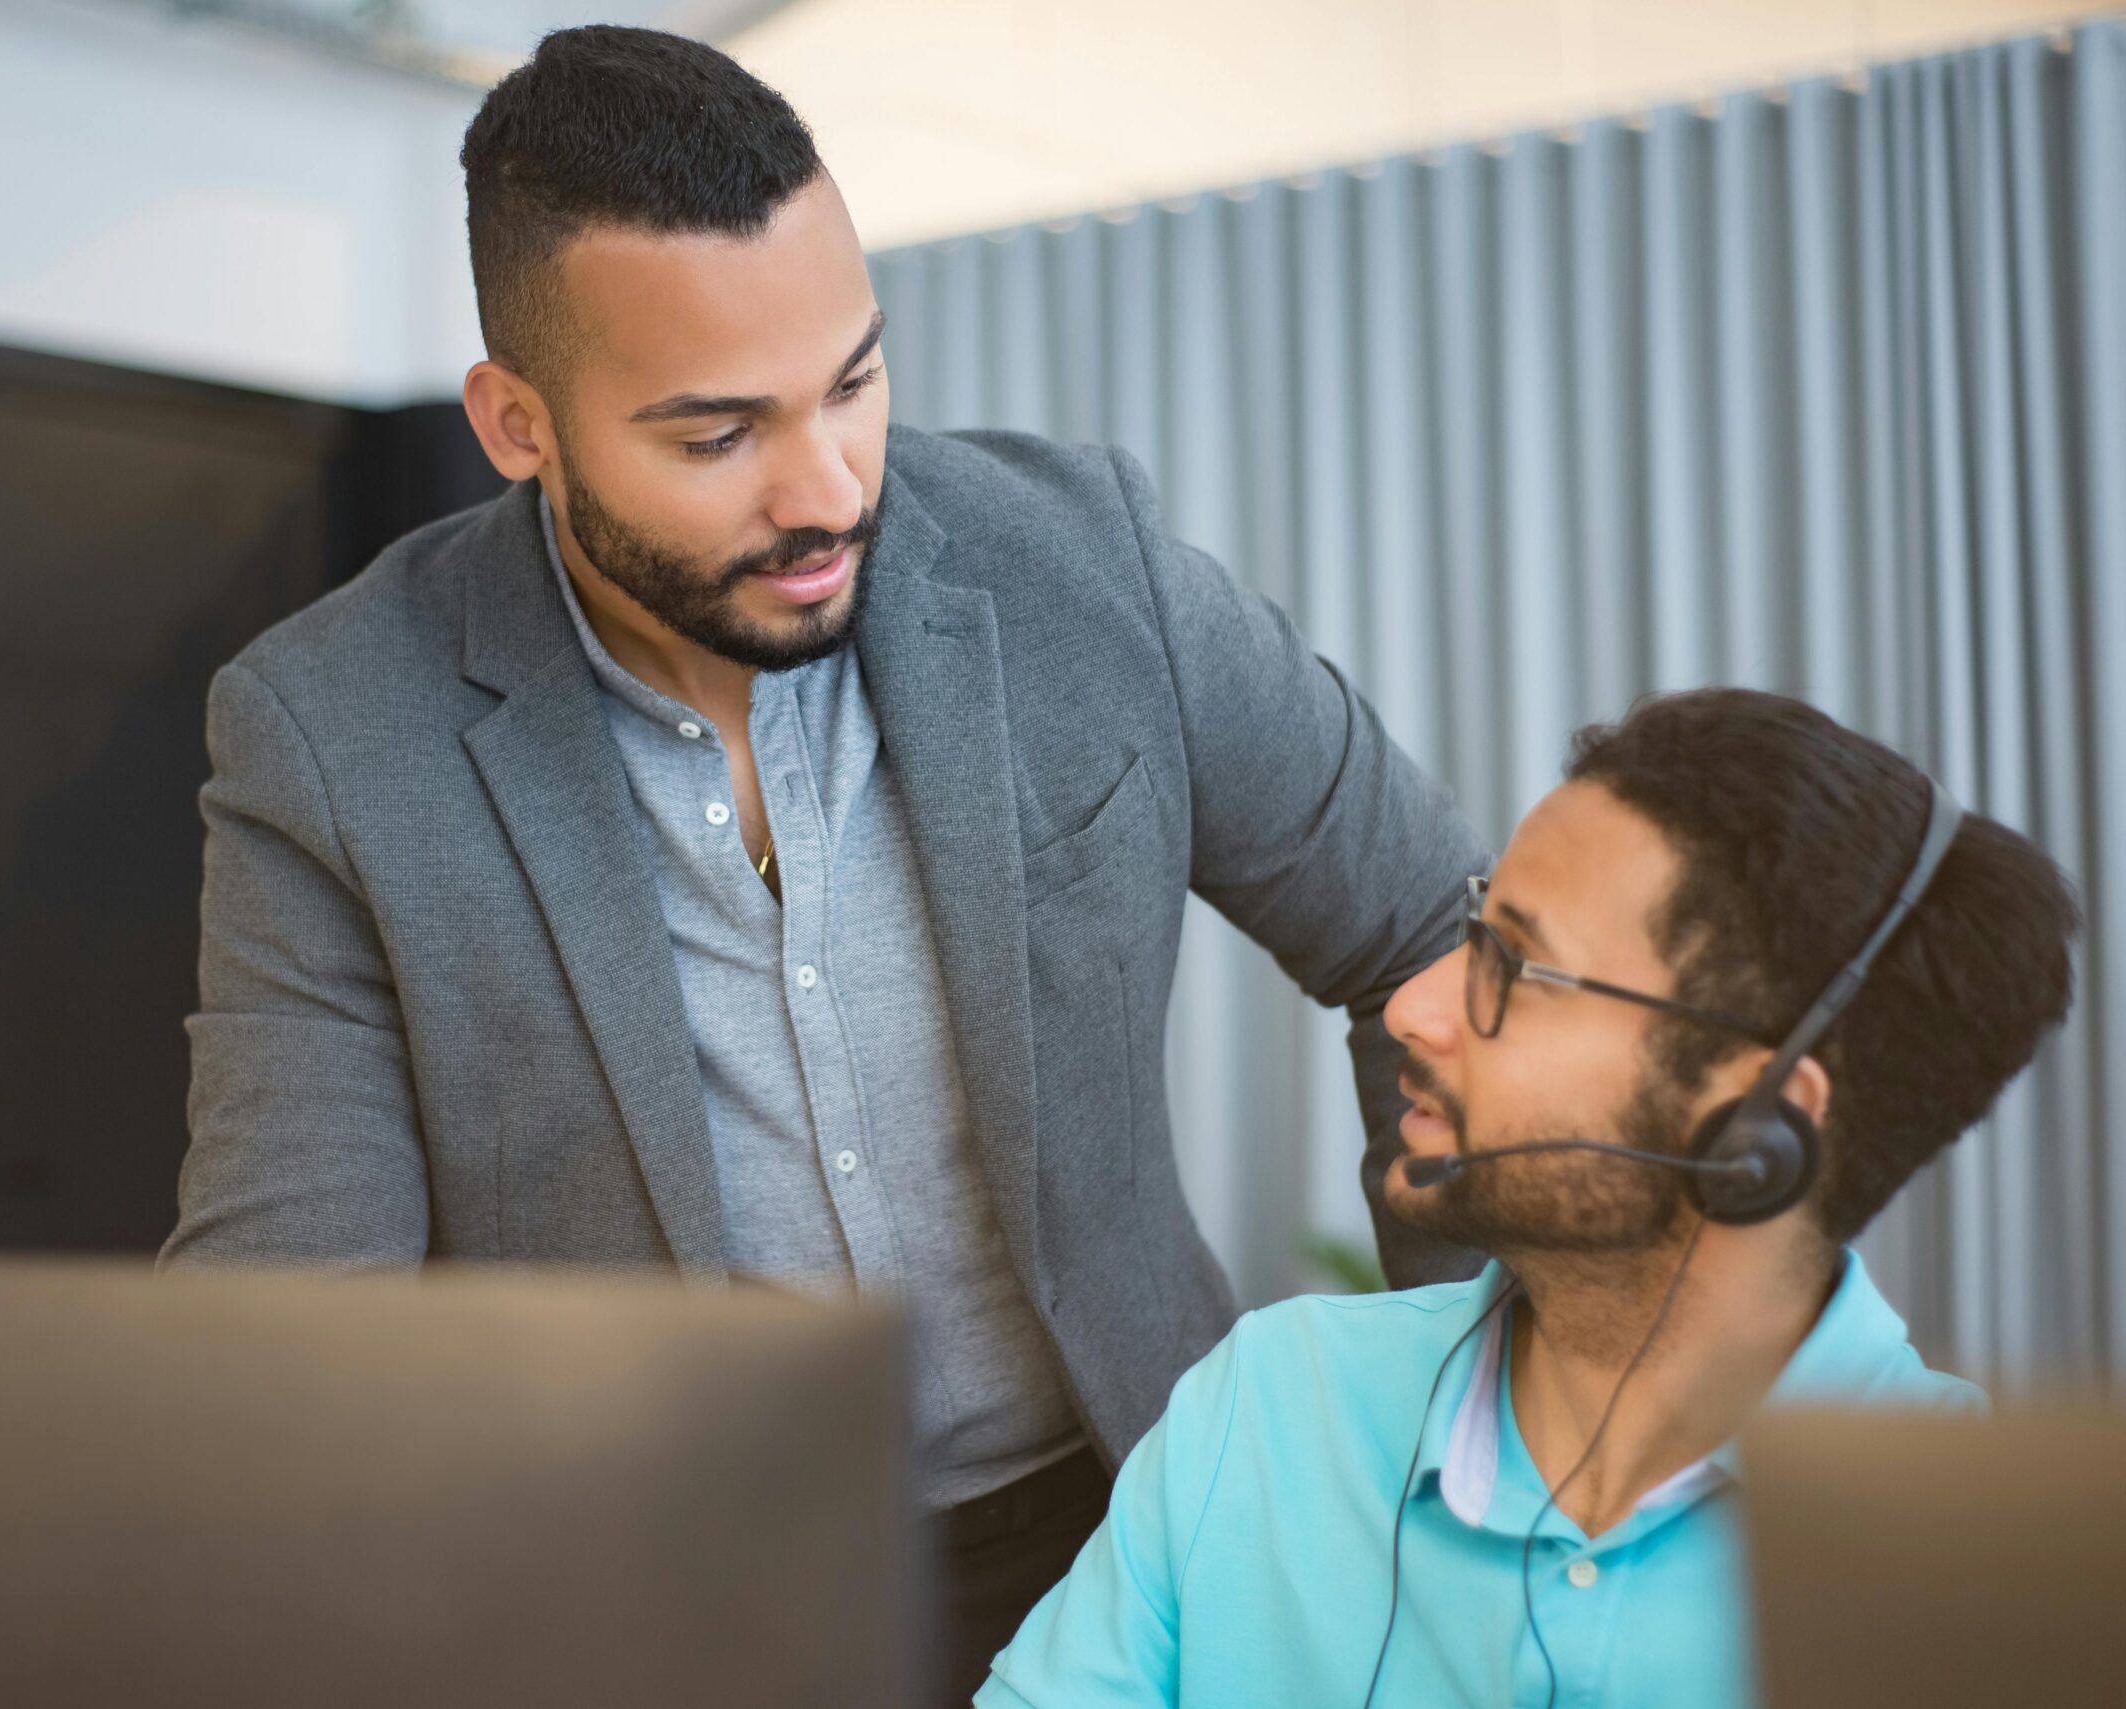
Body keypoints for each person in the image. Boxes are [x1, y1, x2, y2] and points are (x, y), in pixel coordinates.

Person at [161, 27, 1485, 1700]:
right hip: (662, 1598)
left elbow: (1436, 935)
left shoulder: (1087, 565)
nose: (828, 487)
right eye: (716, 434)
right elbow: (291, 1323)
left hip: (1138, 1529)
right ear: (518, 423)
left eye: (853, 379)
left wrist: (1470, 1432)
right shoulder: (336, 734)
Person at [977, 688, 2081, 1708]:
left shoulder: (1986, 1578)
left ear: (1756, 1129)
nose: (1411, 1008)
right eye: (1473, 928)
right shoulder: (1268, 1405)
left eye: (1517, 967)